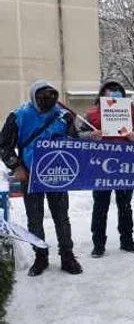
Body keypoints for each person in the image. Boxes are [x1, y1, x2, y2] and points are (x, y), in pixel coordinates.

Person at [0, 80, 82, 276]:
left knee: (62, 217)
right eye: (43, 97)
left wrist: (90, 138)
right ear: (34, 96)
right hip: (30, 175)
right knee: (35, 219)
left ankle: (67, 256)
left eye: (52, 96)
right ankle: (40, 256)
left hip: (58, 175)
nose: (48, 100)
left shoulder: (63, 117)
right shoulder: (19, 116)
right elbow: (4, 146)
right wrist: (16, 166)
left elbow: (74, 142)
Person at [81, 81, 134, 258]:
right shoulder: (91, 114)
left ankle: (127, 240)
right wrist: (90, 136)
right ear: (102, 95)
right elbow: (77, 136)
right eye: (111, 93)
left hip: (125, 166)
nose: (115, 96)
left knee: (125, 206)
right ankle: (98, 244)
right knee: (100, 206)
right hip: (100, 168)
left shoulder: (131, 112)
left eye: (118, 93)